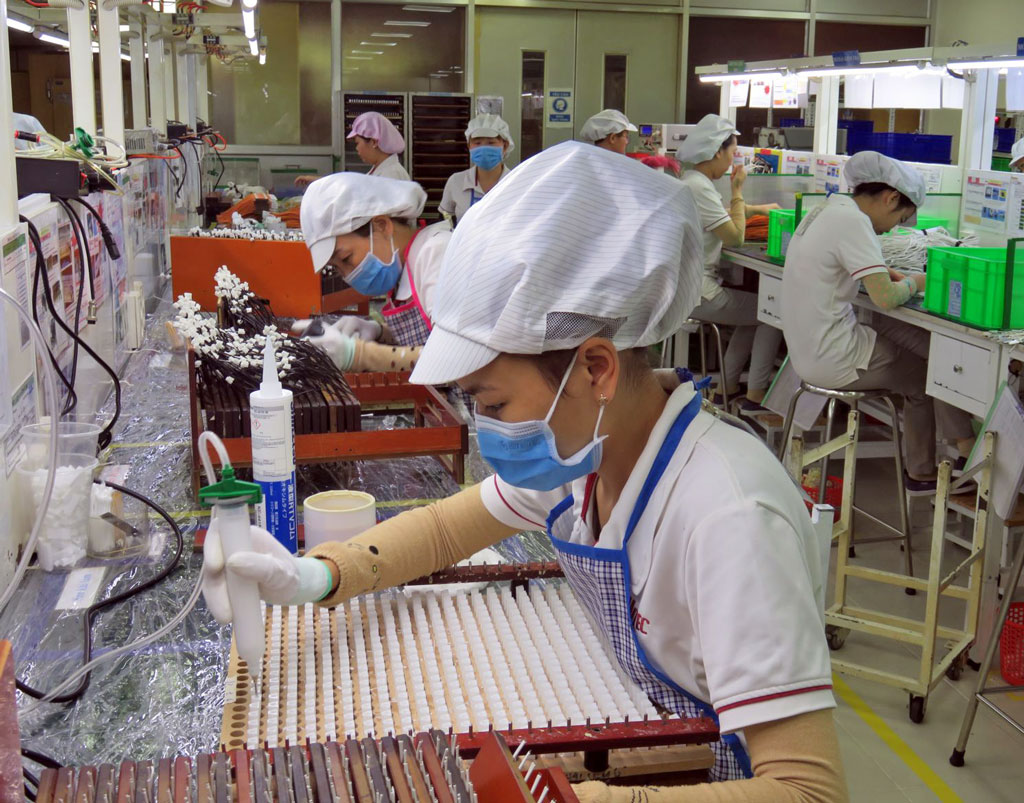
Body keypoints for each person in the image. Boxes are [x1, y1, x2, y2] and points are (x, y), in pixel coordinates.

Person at [203, 142, 847, 802]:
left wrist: (594, 797)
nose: (488, 428)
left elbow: (807, 789)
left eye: (494, 403)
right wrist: (319, 572)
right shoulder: (585, 458)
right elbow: (447, 530)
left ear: (595, 369)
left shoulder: (728, 512)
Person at [782, 151, 975, 492]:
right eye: (901, 218)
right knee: (933, 372)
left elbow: (848, 262)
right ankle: (929, 470)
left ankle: (961, 452)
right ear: (891, 198)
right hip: (835, 357)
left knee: (903, 336)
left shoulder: (829, 210)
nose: (892, 229)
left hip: (805, 351)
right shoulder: (855, 223)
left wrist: (891, 273)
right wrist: (917, 282)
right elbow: (885, 298)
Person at [290, 172, 448, 372]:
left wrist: (360, 355)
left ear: (382, 225)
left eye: (347, 258)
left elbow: (455, 357)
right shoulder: (404, 269)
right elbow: (430, 335)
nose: (348, 275)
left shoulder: (437, 255)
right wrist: (380, 332)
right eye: (338, 268)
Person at [678, 114, 783, 409]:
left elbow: (719, 214)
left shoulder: (690, 181)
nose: (731, 161)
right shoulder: (699, 187)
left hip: (688, 287)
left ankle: (727, 386)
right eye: (732, 153)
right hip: (701, 292)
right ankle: (756, 396)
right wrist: (738, 191)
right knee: (773, 315)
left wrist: (755, 208)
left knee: (755, 311)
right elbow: (735, 237)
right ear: (716, 152)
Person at [295, 112, 410, 187]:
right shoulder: (380, 170)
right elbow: (354, 187)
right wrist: (318, 181)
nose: (356, 148)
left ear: (374, 142)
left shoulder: (391, 175)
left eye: (357, 143)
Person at [439, 113, 514, 226]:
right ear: (469, 146)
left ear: (505, 146)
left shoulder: (516, 182)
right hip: (464, 244)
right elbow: (445, 221)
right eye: (477, 143)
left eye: (491, 143)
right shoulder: (456, 181)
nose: (483, 148)